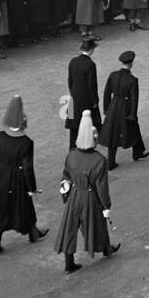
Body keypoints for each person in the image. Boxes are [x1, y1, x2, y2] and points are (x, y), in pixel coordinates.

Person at [55, 111, 120, 274]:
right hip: (90, 197)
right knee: (98, 224)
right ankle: (106, 249)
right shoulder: (99, 161)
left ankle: (69, 262)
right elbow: (102, 188)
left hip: (74, 194)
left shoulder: (72, 155)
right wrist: (106, 205)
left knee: (70, 227)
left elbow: (66, 176)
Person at [0, 94, 48, 256]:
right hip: (18, 179)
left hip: (2, 177)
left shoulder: (0, 137)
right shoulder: (26, 143)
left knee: (1, 208)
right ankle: (33, 233)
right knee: (25, 206)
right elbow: (27, 168)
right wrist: (31, 188)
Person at [98, 50, 149, 168]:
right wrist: (133, 114)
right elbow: (134, 99)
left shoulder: (113, 75)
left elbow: (106, 93)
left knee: (112, 134)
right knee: (133, 128)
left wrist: (106, 109)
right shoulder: (132, 80)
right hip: (125, 108)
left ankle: (111, 162)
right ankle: (137, 152)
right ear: (131, 63)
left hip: (113, 106)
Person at [66, 36, 102, 150]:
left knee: (73, 125)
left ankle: (72, 146)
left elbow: (70, 80)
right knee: (92, 121)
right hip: (86, 99)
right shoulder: (90, 64)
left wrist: (73, 92)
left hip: (74, 97)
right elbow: (92, 85)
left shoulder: (73, 61)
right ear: (91, 50)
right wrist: (95, 101)